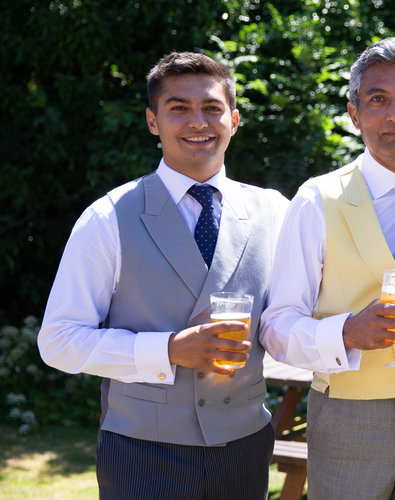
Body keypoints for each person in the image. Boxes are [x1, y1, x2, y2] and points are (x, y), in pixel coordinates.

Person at [38, 52, 289, 499]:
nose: (198, 122)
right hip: (141, 452)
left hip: (245, 446)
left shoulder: (274, 211)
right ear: (153, 121)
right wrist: (168, 349)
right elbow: (58, 340)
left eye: (212, 108)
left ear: (233, 119)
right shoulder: (107, 217)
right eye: (179, 108)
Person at [260, 37, 395, 500]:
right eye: (377, 100)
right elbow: (277, 325)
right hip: (345, 420)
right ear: (354, 114)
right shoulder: (316, 200)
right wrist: (345, 334)